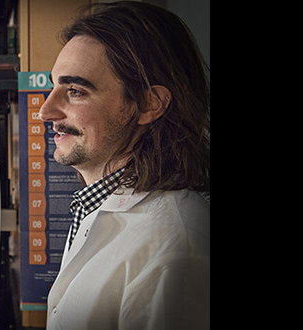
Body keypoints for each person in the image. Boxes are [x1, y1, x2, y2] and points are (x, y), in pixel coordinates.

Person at [38, 1, 209, 329]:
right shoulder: (97, 205)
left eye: (75, 91)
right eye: (54, 85)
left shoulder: (174, 247)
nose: (45, 112)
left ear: (149, 104)